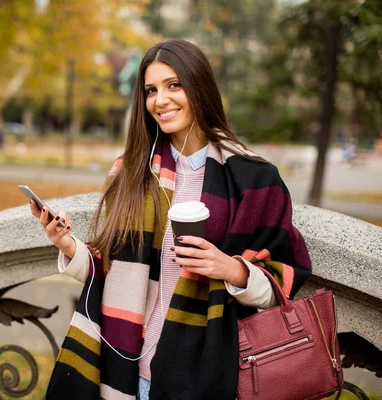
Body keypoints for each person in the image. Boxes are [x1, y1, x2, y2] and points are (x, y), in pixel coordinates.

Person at [29, 39, 312, 400]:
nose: (160, 100)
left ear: (200, 87)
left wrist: (230, 269)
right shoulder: (130, 171)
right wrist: (67, 245)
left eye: (173, 85)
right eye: (151, 90)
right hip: (124, 370)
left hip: (205, 371)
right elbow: (112, 268)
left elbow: (284, 274)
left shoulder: (253, 178)